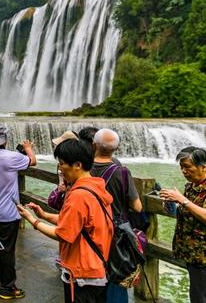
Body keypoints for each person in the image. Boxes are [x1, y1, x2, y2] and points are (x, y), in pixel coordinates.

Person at [17, 139, 114, 303]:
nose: (60, 169)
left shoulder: (78, 195)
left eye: (62, 164)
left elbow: (64, 234)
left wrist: (33, 220)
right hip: (96, 266)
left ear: (77, 164)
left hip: (82, 272)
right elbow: (77, 222)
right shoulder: (95, 186)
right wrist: (44, 215)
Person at [0, 125, 36, 299]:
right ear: (4, 140)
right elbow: (32, 161)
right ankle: (7, 288)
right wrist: (27, 149)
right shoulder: (12, 157)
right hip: (8, 214)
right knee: (7, 251)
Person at [90, 128, 142, 303]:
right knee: (116, 274)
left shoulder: (82, 168)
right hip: (115, 234)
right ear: (117, 148)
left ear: (93, 145)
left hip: (90, 230)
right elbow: (137, 206)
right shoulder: (122, 172)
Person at [160, 147, 206, 303]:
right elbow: (189, 211)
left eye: (187, 167)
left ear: (203, 167)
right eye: (181, 167)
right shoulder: (191, 186)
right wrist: (171, 204)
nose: (183, 171)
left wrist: (182, 200)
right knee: (197, 295)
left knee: (203, 297)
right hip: (193, 254)